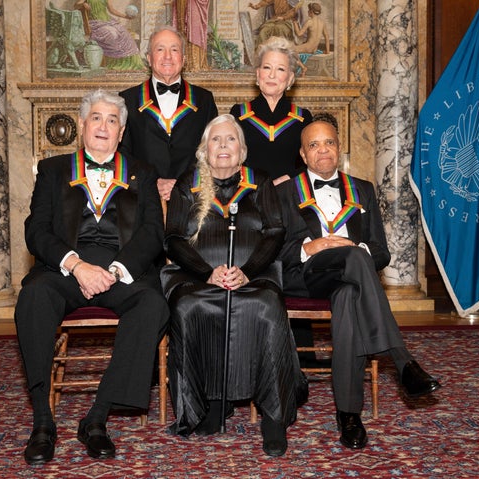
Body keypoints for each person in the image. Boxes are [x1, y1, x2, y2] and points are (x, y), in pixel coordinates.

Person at [15, 89, 169, 464]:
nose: (103, 126)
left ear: (121, 131)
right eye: (96, 118)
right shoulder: (53, 171)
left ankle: (96, 419)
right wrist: (76, 265)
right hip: (65, 270)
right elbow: (36, 230)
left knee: (153, 305)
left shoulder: (142, 173)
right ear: (82, 125)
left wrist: (115, 271)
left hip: (121, 273)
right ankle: (42, 421)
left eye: (112, 120)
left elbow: (153, 231)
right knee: (33, 298)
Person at [276, 117, 441, 449]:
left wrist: (357, 251)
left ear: (339, 147)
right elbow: (271, 250)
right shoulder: (282, 191)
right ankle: (402, 360)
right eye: (314, 145)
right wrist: (310, 247)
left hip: (349, 279)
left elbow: (380, 251)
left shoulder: (363, 188)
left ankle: (349, 416)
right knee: (353, 260)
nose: (323, 150)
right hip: (307, 277)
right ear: (303, 155)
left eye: (330, 143)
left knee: (350, 296)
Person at [162, 114, 308, 457]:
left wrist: (247, 270)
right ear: (205, 150)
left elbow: (275, 232)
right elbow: (172, 239)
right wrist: (206, 272)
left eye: (230, 140)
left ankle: (273, 414)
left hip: (253, 275)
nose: (223, 146)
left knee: (266, 307)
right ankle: (210, 403)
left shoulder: (260, 181)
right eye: (216, 140)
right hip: (195, 276)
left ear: (242, 151)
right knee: (188, 307)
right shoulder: (189, 183)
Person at [120, 25, 218, 202]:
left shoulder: (204, 100)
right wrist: (150, 183)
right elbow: (122, 155)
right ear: (149, 58)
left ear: (184, 58)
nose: (167, 56)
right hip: (141, 201)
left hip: (191, 200)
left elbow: (211, 153)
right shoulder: (127, 100)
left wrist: (183, 185)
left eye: (174, 49)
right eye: (160, 49)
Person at [230, 36, 312, 185]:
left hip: (291, 196)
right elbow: (230, 160)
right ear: (257, 73)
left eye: (280, 69)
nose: (272, 75)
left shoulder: (303, 118)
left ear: (290, 78)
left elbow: (311, 162)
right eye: (266, 67)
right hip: (249, 196)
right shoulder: (238, 114)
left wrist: (287, 179)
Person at [75, 0, 145, 70]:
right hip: (95, 23)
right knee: (110, 34)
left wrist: (125, 17)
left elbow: (112, 10)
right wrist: (83, 4)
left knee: (124, 33)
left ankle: (133, 63)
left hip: (107, 21)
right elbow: (76, 5)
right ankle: (113, 62)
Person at [293, 2, 330, 76]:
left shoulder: (309, 22)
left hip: (308, 48)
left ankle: (303, 67)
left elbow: (299, 34)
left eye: (308, 10)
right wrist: (327, 51)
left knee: (289, 50)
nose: (307, 12)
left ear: (311, 12)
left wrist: (295, 23)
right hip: (314, 49)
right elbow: (327, 37)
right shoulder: (322, 23)